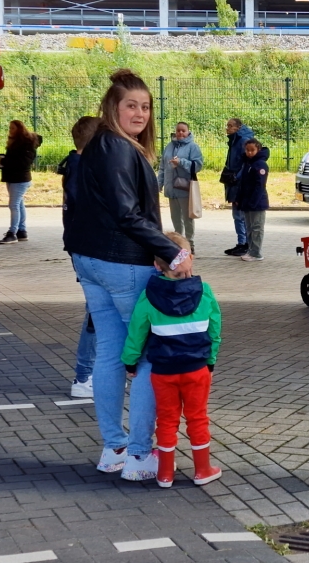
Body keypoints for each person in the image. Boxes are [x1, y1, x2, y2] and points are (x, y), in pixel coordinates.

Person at [64, 69, 193, 481]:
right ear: (112, 107)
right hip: (122, 263)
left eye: (146, 106)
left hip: (89, 261)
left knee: (110, 354)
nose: (140, 113)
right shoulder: (120, 149)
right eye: (131, 106)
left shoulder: (97, 145)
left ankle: (114, 448)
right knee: (149, 357)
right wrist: (172, 252)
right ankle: (138, 455)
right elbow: (126, 213)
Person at [121, 232, 223, 488]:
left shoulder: (149, 296)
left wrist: (130, 362)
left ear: (157, 265)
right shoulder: (205, 291)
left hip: (163, 372)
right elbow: (215, 330)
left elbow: (137, 332)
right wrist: (210, 360)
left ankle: (165, 474)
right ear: (190, 258)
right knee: (197, 417)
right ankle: (203, 470)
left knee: (166, 420)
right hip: (197, 369)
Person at [59, 116, 102, 399]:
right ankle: (84, 376)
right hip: (88, 249)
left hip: (83, 247)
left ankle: (90, 374)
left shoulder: (75, 166)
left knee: (97, 312)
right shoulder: (81, 169)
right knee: (95, 313)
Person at [158, 122, 204, 253]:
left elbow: (198, 165)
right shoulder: (169, 147)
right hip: (170, 188)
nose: (180, 133)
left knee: (187, 218)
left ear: (188, 132)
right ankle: (178, 243)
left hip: (184, 189)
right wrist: (159, 183)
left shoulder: (193, 147)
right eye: (178, 130)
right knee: (175, 217)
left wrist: (181, 162)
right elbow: (162, 167)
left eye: (183, 131)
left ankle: (190, 243)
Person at [0, 120, 40, 244]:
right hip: (13, 177)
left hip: (20, 179)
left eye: (12, 128)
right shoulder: (16, 142)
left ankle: (12, 233)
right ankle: (21, 230)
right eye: (10, 128)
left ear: (20, 130)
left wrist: (5, 162)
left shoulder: (26, 144)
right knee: (19, 203)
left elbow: (23, 163)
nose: (10, 131)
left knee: (14, 205)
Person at [221, 117, 254, 257]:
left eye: (230, 126)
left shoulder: (242, 141)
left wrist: (237, 178)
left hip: (238, 183)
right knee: (237, 214)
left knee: (239, 215)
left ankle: (244, 244)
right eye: (227, 125)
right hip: (234, 180)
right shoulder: (235, 140)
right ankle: (242, 242)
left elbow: (245, 163)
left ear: (238, 128)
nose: (227, 128)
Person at [236, 138, 269, 262]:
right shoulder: (248, 163)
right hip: (247, 202)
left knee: (256, 228)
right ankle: (251, 250)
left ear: (258, 150)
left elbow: (259, 185)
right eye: (247, 150)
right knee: (249, 227)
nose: (249, 153)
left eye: (252, 150)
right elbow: (243, 184)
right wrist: (240, 198)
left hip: (257, 203)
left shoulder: (260, 165)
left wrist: (253, 202)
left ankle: (256, 253)